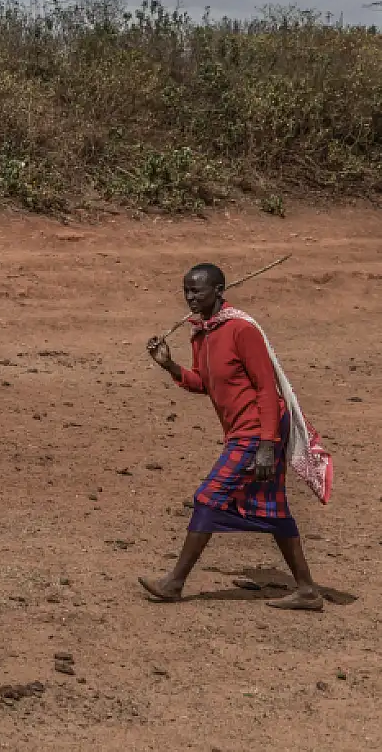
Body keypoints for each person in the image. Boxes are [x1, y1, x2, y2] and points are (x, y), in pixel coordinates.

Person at [139, 262, 324, 611]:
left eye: (198, 290)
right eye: (187, 290)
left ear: (219, 291)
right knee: (272, 508)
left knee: (208, 497)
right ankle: (307, 590)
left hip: (257, 430)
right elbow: (206, 385)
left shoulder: (241, 329)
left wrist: (267, 444)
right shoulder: (201, 333)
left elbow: (266, 388)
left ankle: (173, 583)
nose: (191, 297)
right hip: (243, 431)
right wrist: (169, 365)